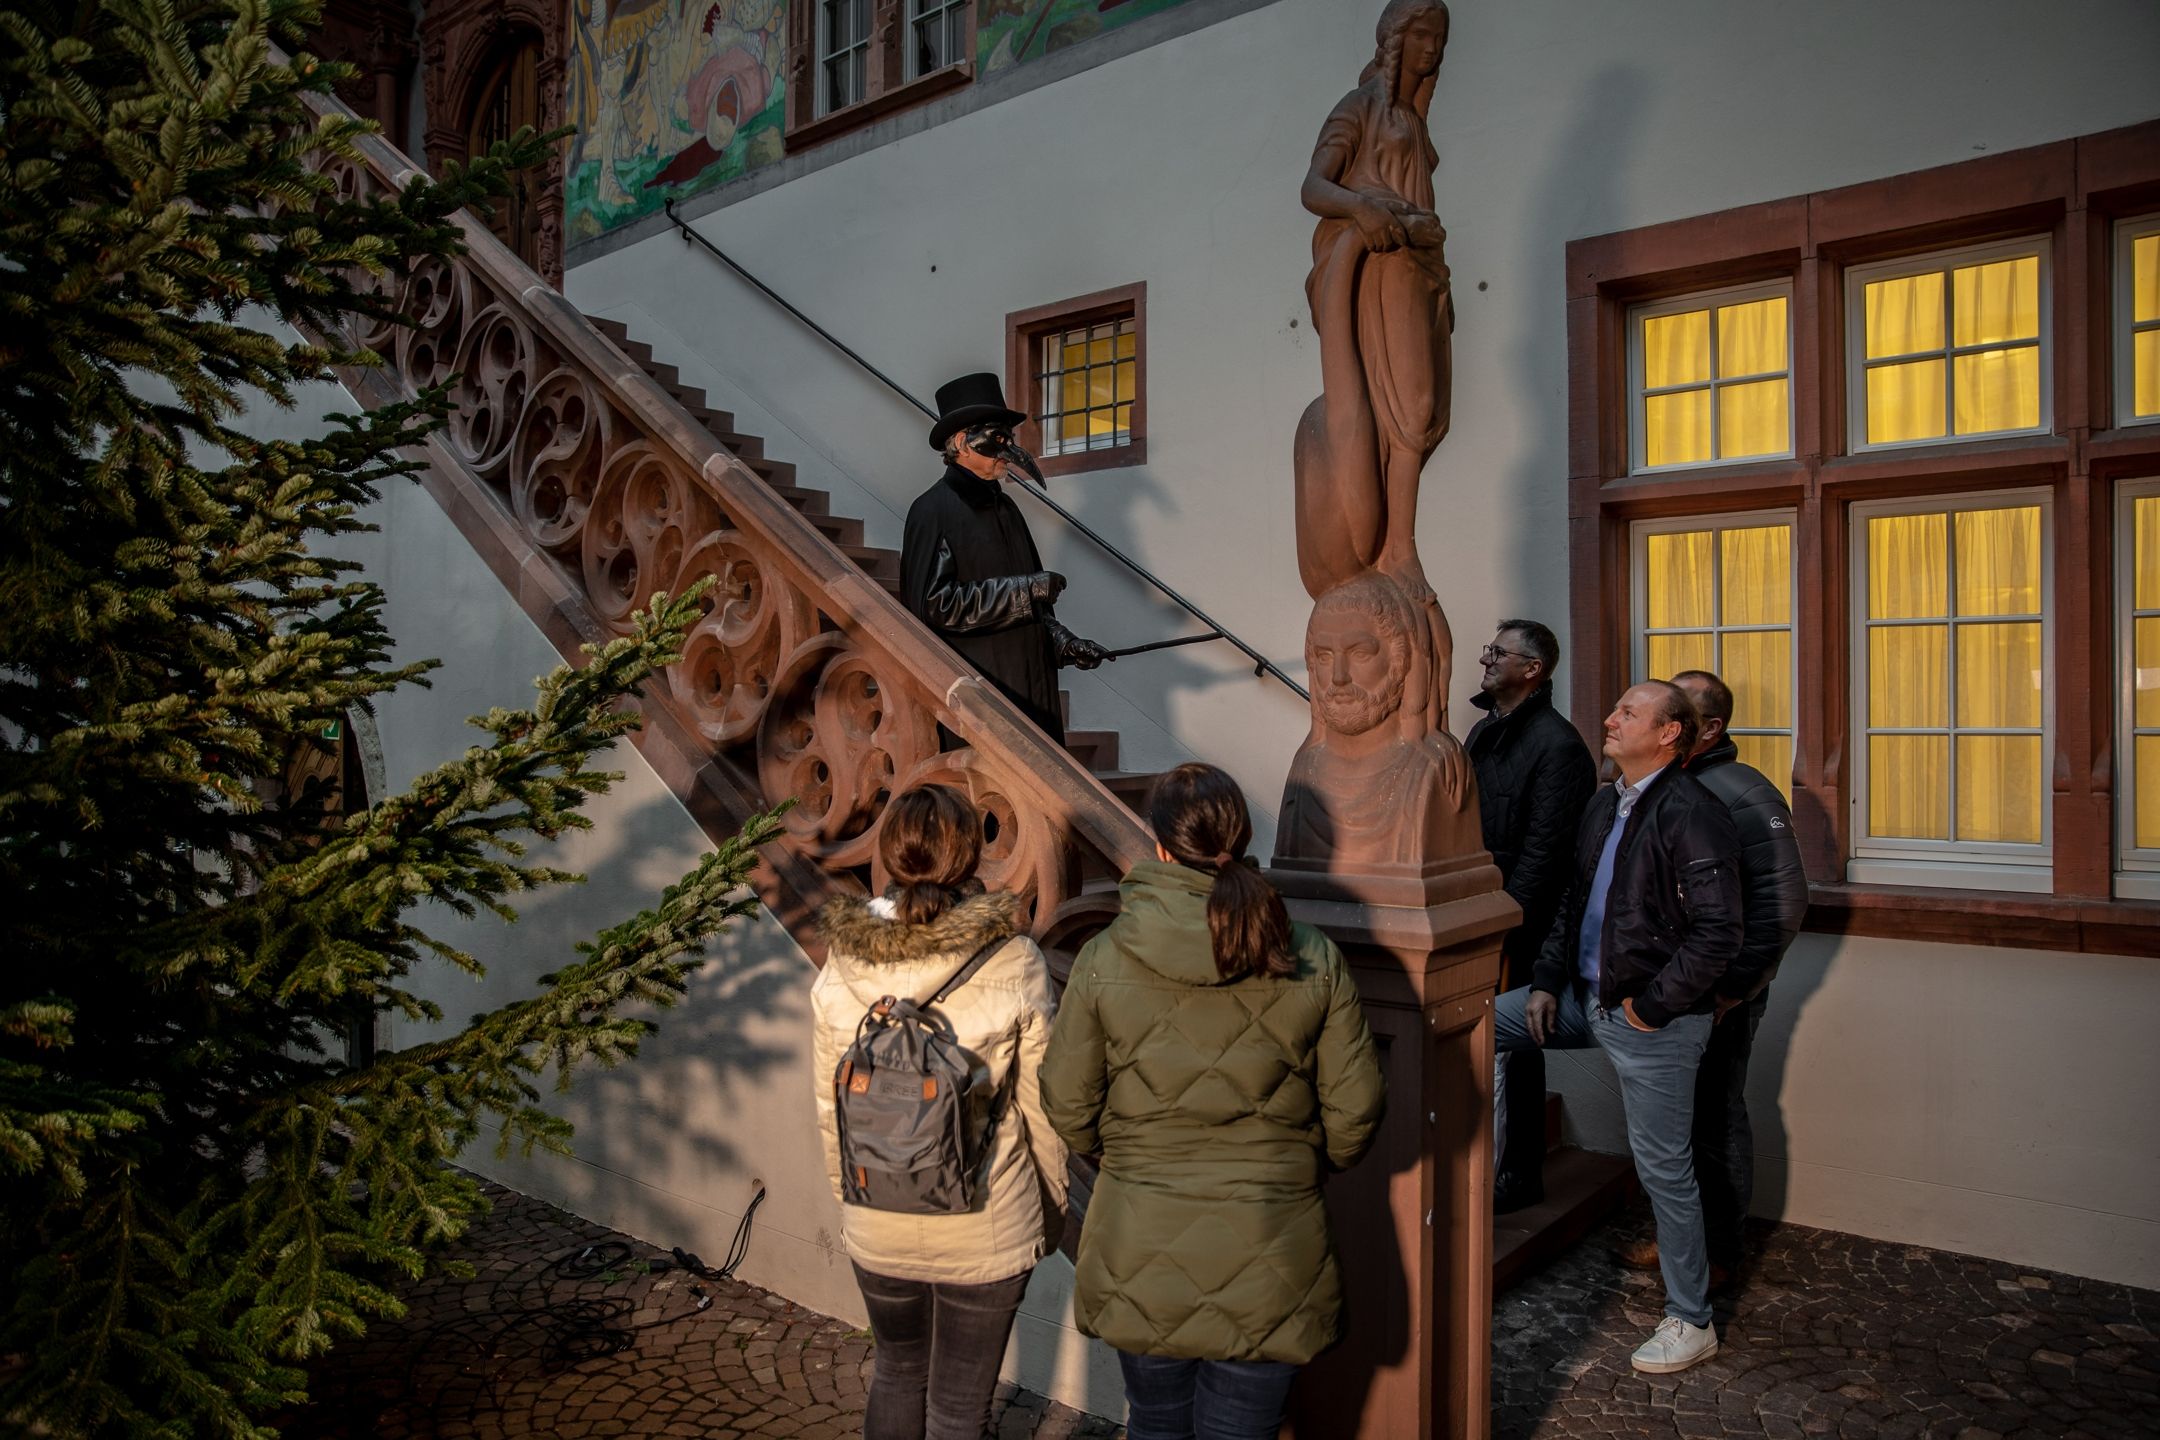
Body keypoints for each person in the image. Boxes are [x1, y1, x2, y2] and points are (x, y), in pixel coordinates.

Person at [1041, 763, 1386, 1439]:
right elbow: (1356, 1109)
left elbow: (1066, 1100)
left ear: (1160, 845)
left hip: (1142, 1238)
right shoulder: (1309, 952)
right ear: (1241, 834)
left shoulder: (1106, 956)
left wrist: (1124, 1152)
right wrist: (1298, 1165)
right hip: (1272, 1240)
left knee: (1157, 1426)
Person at [1493, 681, 1742, 1375]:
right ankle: (1474, 1191)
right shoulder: (1606, 803)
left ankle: (1693, 1320)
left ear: (1669, 734)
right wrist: (1545, 982)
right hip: (1585, 998)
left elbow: (1720, 930)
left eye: (1628, 712)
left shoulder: (1694, 811)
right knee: (1478, 1027)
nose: (1609, 718)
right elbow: (1574, 902)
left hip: (1652, 1018)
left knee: (1665, 1168)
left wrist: (1654, 1006)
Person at [810, 784, 1069, 1440]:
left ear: (890, 855)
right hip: (986, 1222)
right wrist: (1050, 1210)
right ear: (969, 858)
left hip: (878, 1220)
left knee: (896, 1372)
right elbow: (1047, 1109)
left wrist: (852, 1197)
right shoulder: (1015, 961)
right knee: (959, 1410)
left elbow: (828, 1101)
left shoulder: (843, 962)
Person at [1610, 669, 1808, 1282]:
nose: (1672, 723)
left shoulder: (1744, 792)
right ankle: (1680, 1245)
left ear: (1708, 728)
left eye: (1685, 715)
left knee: (1716, 1115)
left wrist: (1730, 990)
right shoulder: (1648, 789)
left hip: (1719, 992)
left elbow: (1782, 903)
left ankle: (1719, 1254)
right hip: (1664, 991)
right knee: (1676, 1121)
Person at [1465, 620, 1596, 1213]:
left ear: (1533, 670)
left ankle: (1517, 1173)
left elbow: (1547, 853)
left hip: (1522, 918)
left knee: (1514, 1045)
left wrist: (1504, 922)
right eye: (1490, 650)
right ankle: (1481, 1161)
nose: (1486, 659)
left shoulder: (1560, 746)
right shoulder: (1481, 732)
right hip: (1478, 907)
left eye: (1499, 652)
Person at [901, 372, 1107, 745]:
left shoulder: (1006, 508)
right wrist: (1027, 589)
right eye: (998, 438)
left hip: (1034, 693)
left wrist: (1061, 641)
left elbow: (1031, 607)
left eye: (1009, 439)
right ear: (963, 442)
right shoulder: (932, 510)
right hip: (985, 700)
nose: (1009, 450)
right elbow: (934, 605)